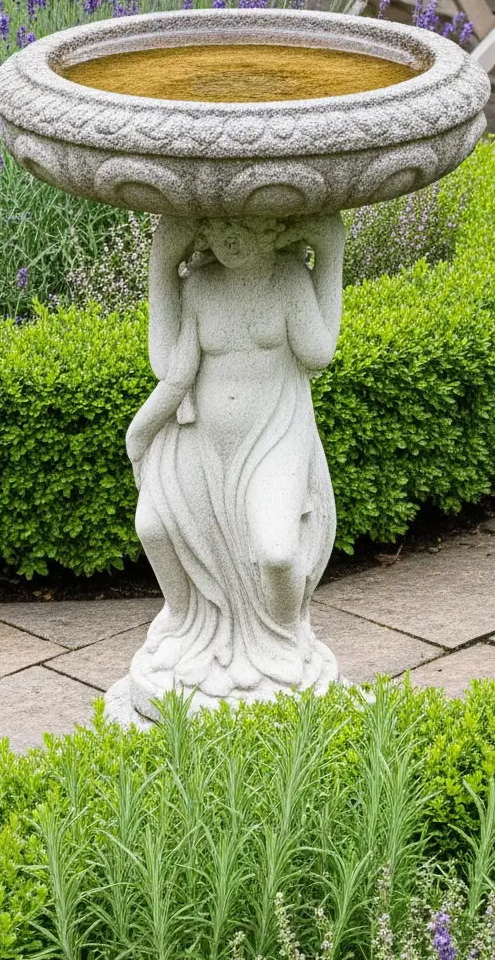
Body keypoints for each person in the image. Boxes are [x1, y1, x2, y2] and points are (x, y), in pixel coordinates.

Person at [110, 210, 343, 720]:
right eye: (215, 229)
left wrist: (331, 251)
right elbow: (170, 371)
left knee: (277, 554)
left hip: (272, 436)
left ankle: (282, 642)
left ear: (270, 226)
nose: (225, 238)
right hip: (201, 440)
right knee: (151, 525)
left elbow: (319, 353)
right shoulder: (199, 285)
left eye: (238, 229)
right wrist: (161, 263)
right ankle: (183, 624)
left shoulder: (287, 280)